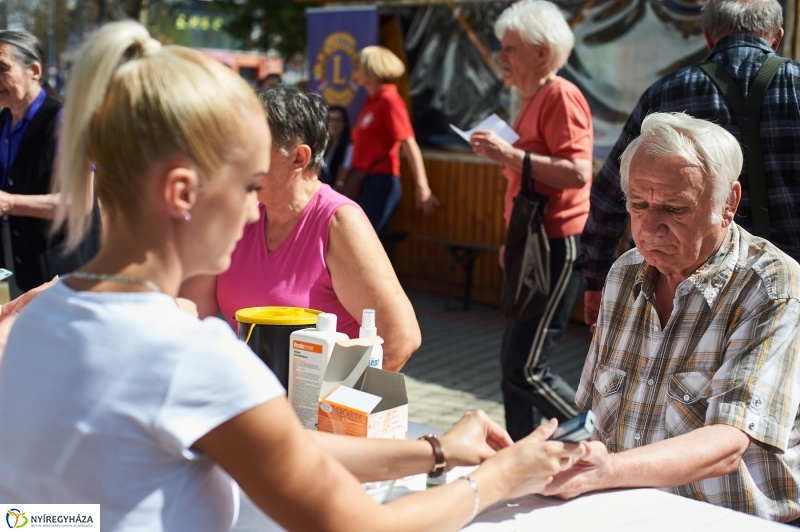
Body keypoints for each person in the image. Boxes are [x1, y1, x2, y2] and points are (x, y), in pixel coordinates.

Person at [0, 22, 586, 531]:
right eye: (246, 185)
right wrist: (500, 478)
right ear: (182, 193)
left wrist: (436, 450)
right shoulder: (191, 356)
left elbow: (26, 514)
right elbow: (360, 525)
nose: (251, 210)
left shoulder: (34, 316)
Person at [546, 112, 800, 525]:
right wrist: (538, 456)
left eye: (675, 209)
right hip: (625, 512)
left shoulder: (771, 285)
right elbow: (592, 418)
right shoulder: (625, 272)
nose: (649, 228)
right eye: (638, 204)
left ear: (728, 203)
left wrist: (608, 471)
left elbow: (728, 444)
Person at [579, 0, 800, 331]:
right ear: (777, 38)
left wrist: (596, 280)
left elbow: (610, 195)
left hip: (687, 291)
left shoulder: (666, 93)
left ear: (707, 36)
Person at [180, 86, 421, 371]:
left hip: (316, 397)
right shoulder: (240, 215)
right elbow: (193, 308)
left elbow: (400, 339)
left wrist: (332, 397)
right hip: (250, 392)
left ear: (298, 158)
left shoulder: (339, 222)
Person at [469, 0, 593, 441]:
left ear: (541, 52)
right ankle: (522, 457)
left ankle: (599, 437)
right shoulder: (531, 98)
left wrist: (508, 153)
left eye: (510, 48)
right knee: (512, 369)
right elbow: (529, 173)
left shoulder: (560, 94)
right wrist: (512, 242)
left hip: (557, 242)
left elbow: (578, 172)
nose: (501, 56)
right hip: (531, 242)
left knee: (525, 368)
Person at [0, 29, 100, 293]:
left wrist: (8, 202)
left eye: (2, 68)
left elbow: (79, 203)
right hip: (19, 268)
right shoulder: (4, 120)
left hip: (64, 274)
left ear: (34, 71)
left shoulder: (64, 122)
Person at [342, 45, 438, 234]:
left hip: (380, 181)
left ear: (371, 69)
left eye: (357, 67)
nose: (354, 72)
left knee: (364, 238)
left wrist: (422, 186)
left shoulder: (389, 100)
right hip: (364, 180)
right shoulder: (371, 101)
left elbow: (409, 143)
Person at [320, 105, 350, 185]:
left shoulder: (350, 145)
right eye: (331, 120)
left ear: (345, 123)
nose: (334, 124)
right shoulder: (321, 145)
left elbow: (346, 170)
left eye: (338, 120)